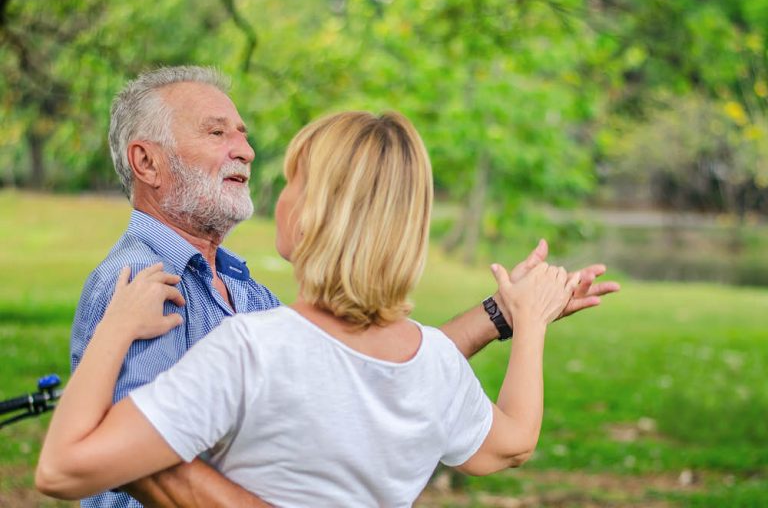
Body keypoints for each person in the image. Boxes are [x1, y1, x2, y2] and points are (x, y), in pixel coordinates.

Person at [64, 66, 619, 508]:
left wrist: (503, 312)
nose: (247, 151)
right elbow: (145, 470)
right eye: (216, 131)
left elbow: (351, 368)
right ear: (147, 162)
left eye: (243, 134)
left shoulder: (248, 301)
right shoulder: (133, 287)